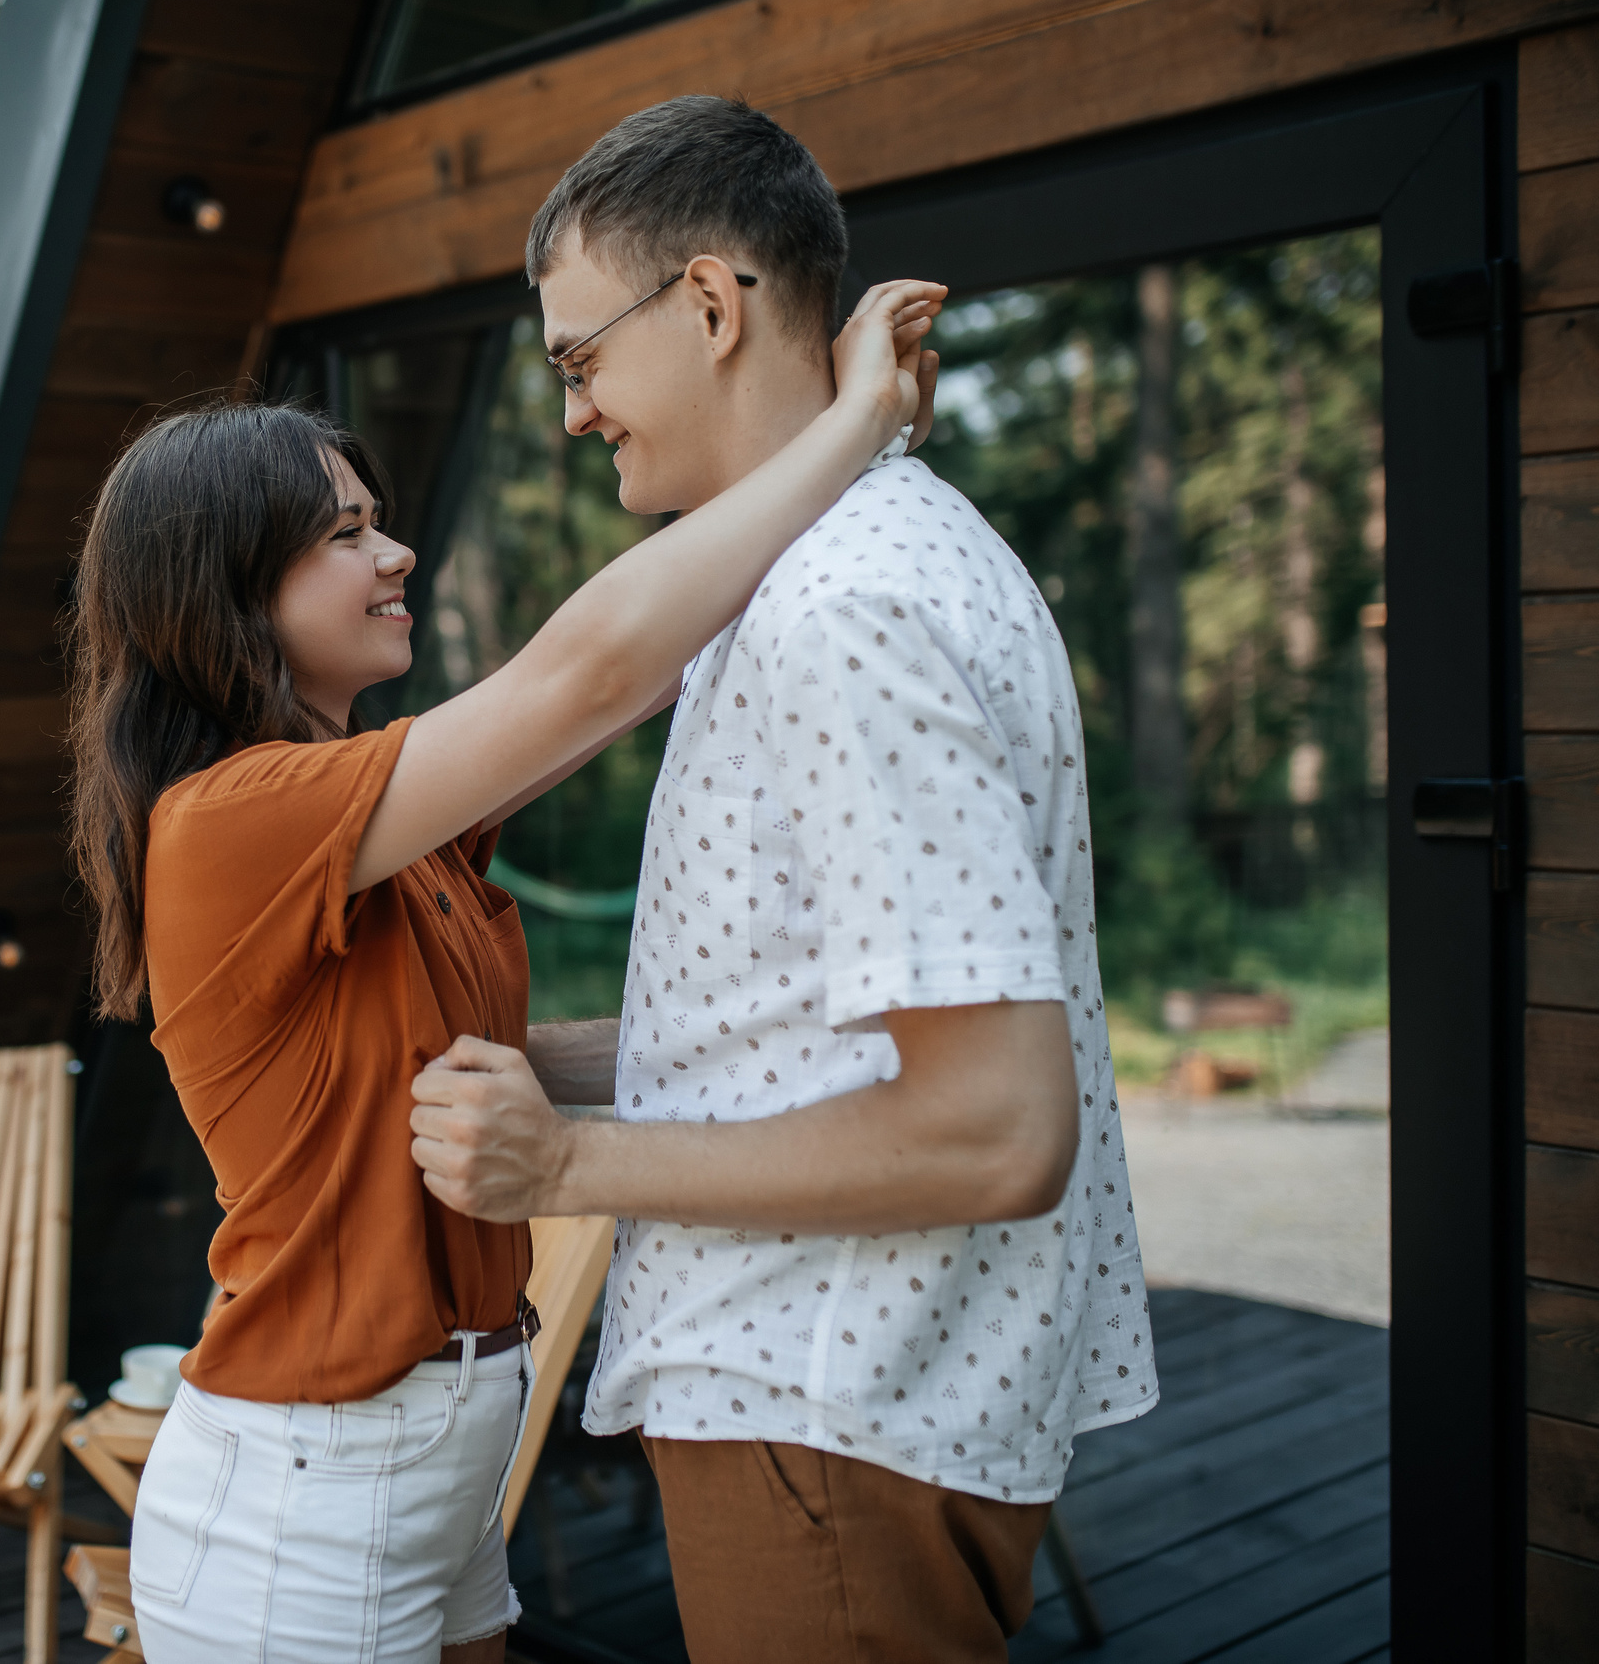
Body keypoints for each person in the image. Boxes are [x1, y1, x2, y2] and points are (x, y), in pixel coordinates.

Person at [64, 267, 943, 1661]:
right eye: (345, 534)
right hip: (308, 1490)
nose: (396, 553)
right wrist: (847, 422)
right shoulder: (232, 820)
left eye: (381, 522)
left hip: (448, 1455)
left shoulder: (390, 839)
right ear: (225, 587)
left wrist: (811, 1053)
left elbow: (647, 673)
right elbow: (584, 675)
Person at [404, 96, 1157, 1664]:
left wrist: (565, 1166)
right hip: (856, 1400)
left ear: (707, 303)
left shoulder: (842, 612)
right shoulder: (867, 561)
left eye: (576, 358)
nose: (574, 413)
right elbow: (840, 1018)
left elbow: (993, 1125)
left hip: (828, 1397)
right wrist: (553, 1067)